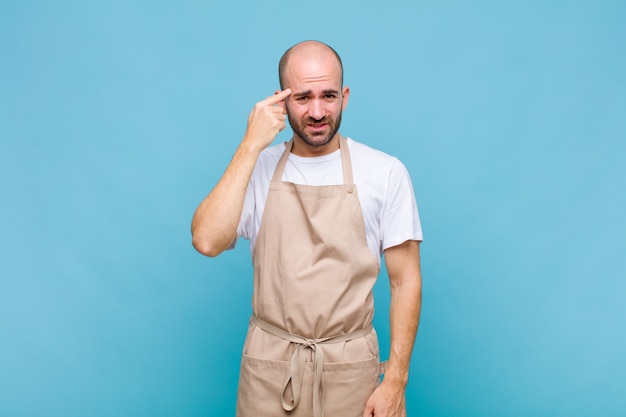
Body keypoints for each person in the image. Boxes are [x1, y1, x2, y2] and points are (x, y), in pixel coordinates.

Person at [191, 40, 423, 417]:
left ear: (345, 97)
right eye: (303, 97)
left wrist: (395, 381)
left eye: (328, 95)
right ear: (281, 101)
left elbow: (406, 280)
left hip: (352, 374)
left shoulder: (385, 172)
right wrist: (250, 145)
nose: (318, 112)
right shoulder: (256, 169)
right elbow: (206, 240)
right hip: (269, 370)